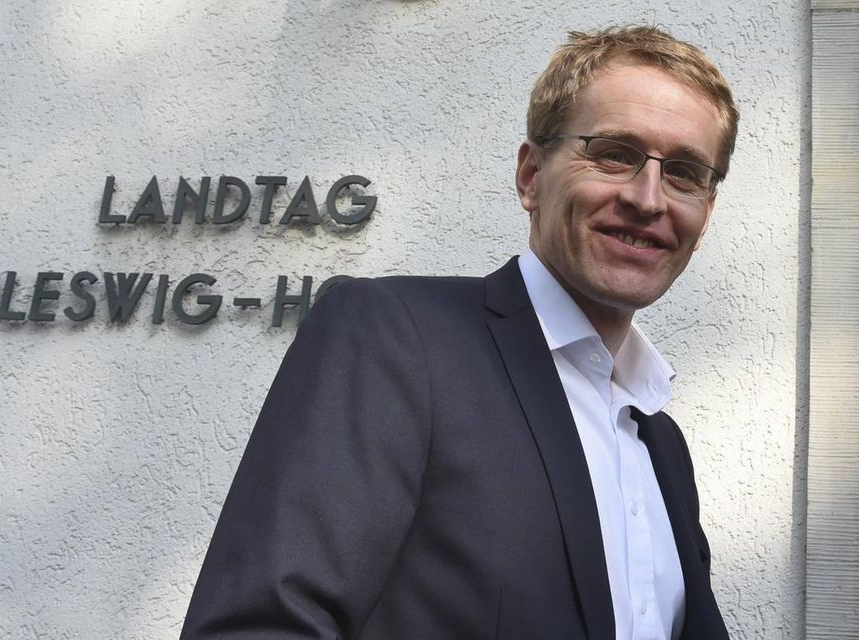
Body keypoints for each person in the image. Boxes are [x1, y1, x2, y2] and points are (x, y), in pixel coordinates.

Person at [181, 25, 737, 640]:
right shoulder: (396, 339)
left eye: (684, 172)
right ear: (531, 176)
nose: (648, 199)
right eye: (614, 154)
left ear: (706, 213)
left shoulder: (661, 442)